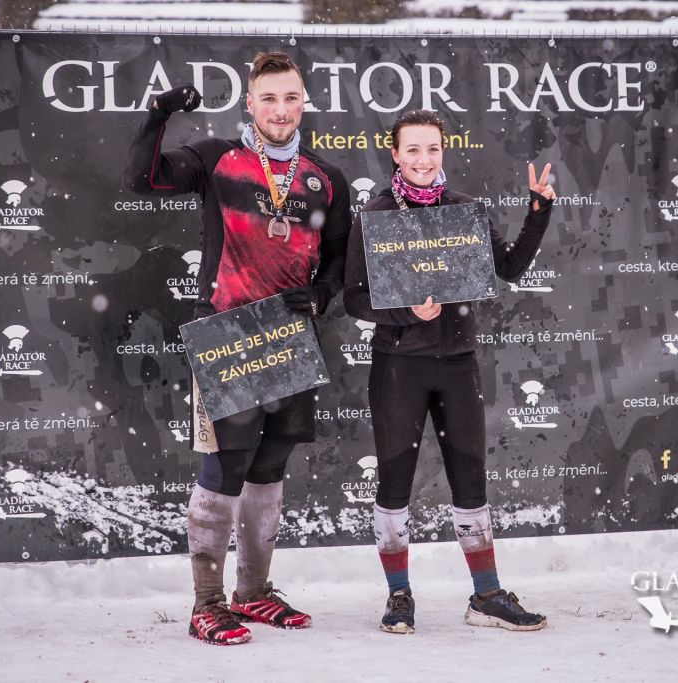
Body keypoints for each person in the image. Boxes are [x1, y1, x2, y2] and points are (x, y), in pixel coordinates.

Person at [124, 52, 350, 645]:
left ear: (304, 103)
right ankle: (206, 603)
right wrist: (158, 115)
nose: (281, 109)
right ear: (250, 103)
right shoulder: (215, 157)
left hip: (290, 337)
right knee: (224, 467)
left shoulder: (325, 176)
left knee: (270, 467)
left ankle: (253, 592)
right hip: (225, 332)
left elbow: (338, 260)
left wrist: (321, 295)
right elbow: (142, 180)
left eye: (291, 98)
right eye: (269, 98)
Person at [343, 109, 556, 634]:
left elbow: (508, 268)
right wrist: (406, 314)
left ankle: (486, 596)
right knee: (394, 483)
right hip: (398, 367)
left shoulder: (463, 210)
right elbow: (353, 299)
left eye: (432, 149)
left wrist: (537, 211)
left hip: (458, 364)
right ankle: (399, 596)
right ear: (395, 154)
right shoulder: (374, 214)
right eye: (413, 149)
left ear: (444, 152)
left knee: (470, 481)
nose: (423, 160)